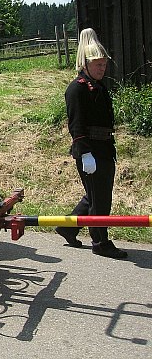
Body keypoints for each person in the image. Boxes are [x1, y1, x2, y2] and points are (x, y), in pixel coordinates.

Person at [55, 28, 127, 259]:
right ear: (85, 64)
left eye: (104, 64)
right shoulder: (77, 88)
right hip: (91, 150)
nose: (102, 68)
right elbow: (76, 125)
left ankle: (68, 228)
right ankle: (100, 242)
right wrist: (85, 153)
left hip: (104, 147)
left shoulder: (98, 86)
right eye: (98, 65)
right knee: (100, 198)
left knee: (94, 195)